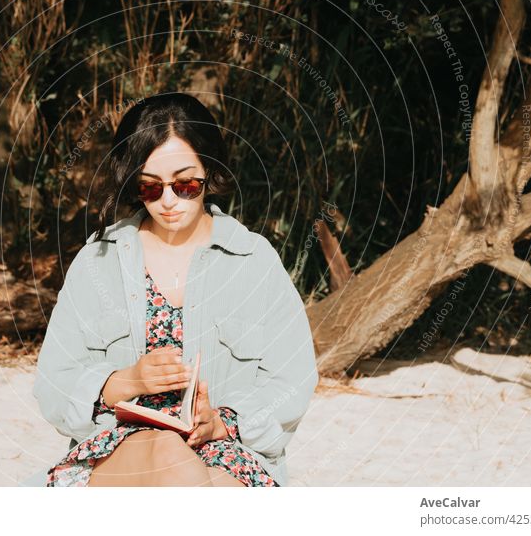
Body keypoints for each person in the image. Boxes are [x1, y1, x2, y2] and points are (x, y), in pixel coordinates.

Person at [33, 92, 318, 486]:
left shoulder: (253, 260)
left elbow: (293, 377)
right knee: (169, 455)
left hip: (229, 450)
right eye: (150, 187)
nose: (168, 201)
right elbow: (53, 380)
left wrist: (222, 421)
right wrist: (127, 382)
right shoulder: (98, 261)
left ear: (210, 172)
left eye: (185, 184)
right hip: (118, 447)